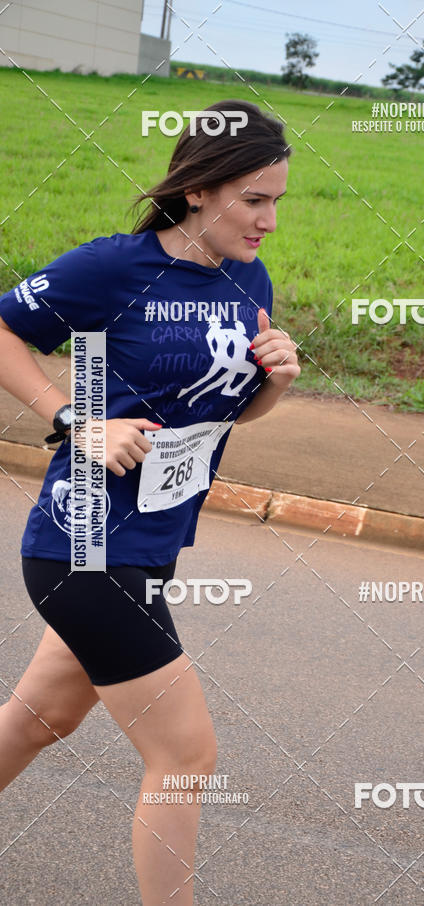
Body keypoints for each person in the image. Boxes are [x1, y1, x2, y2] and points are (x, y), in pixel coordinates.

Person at [0, 98, 300, 905]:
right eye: (254, 199)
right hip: (85, 545)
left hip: (152, 545)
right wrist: (76, 420)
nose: (269, 221)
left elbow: (230, 412)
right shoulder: (112, 269)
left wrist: (276, 378)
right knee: (185, 756)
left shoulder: (247, 277)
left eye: (278, 201)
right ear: (197, 190)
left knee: (38, 720)